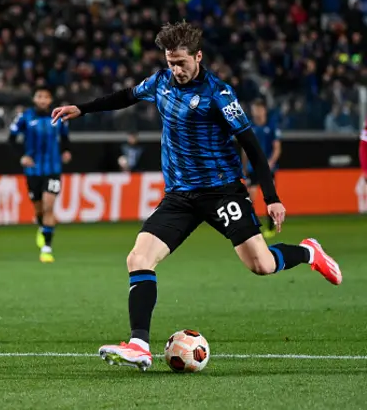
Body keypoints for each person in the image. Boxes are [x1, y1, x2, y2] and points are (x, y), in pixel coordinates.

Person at [51, 21, 342, 372]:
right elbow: (125, 96)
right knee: (138, 259)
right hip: (179, 196)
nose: (176, 70)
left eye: (182, 63)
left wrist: (271, 196)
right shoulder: (160, 82)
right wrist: (82, 108)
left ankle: (310, 252)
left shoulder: (219, 94)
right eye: (171, 62)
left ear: (198, 57)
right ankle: (139, 344)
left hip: (222, 191)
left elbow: (252, 144)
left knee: (261, 265)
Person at [8, 86, 71, 263]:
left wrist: (66, 151)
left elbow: (65, 138)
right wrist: (22, 156)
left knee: (49, 205)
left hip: (53, 168)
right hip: (33, 169)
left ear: (50, 100)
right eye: (40, 96)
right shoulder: (25, 117)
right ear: (35, 99)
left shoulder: (60, 116)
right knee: (38, 208)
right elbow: (11, 139)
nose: (43, 100)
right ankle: (43, 227)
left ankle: (47, 248)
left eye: (46, 97)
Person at [241, 98, 281, 239]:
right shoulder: (249, 127)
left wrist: (271, 161)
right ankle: (251, 226)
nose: (256, 112)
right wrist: (244, 167)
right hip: (253, 169)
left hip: (268, 169)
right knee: (250, 197)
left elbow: (277, 148)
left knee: (269, 197)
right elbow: (245, 149)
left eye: (258, 109)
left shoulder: (271, 126)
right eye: (254, 109)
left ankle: (271, 227)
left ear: (264, 110)